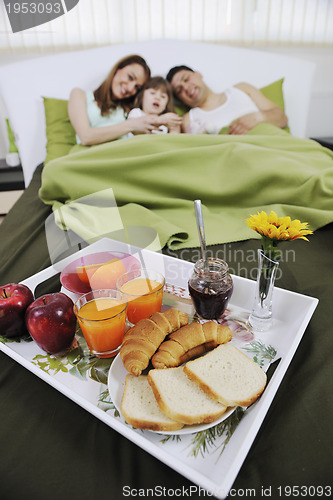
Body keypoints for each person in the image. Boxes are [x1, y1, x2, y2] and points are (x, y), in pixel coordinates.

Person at [68, 54, 166, 146]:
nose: (130, 88)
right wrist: (131, 125)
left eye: (137, 87)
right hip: (87, 157)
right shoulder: (79, 95)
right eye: (130, 77)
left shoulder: (131, 110)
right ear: (118, 69)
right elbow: (86, 136)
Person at [166, 65, 288, 135]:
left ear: (198, 74)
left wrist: (257, 118)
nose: (186, 88)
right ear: (181, 100)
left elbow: (282, 118)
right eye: (179, 90)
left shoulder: (241, 89)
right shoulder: (188, 119)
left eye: (186, 79)